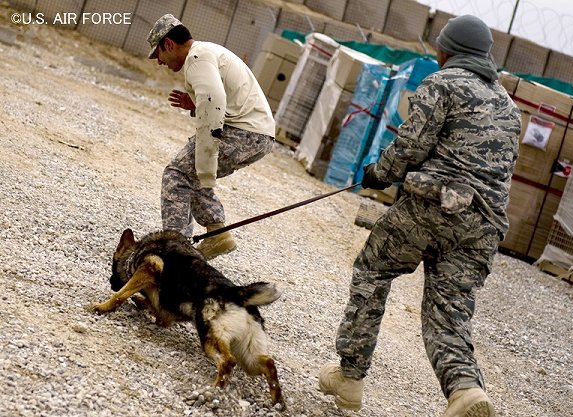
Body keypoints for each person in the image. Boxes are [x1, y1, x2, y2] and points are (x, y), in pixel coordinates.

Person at [318, 15, 521, 417]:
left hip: (432, 207)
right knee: (449, 310)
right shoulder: (508, 105)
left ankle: (350, 376)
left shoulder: (442, 83)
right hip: (483, 227)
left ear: (448, 50)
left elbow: (410, 146)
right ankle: (464, 389)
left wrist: (379, 172)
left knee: (373, 270)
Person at [146, 14, 275, 259]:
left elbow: (213, 103)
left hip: (245, 133)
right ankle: (217, 235)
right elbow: (219, 99)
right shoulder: (206, 52)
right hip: (257, 134)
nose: (159, 62)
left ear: (169, 44)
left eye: (158, 54)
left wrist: (205, 154)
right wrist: (194, 103)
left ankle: (177, 254)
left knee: (177, 175)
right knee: (193, 174)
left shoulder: (197, 58)